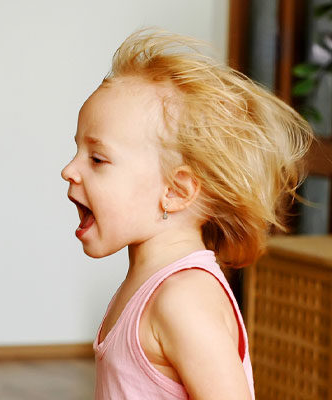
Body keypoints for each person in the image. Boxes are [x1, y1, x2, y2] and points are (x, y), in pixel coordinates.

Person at [61, 29, 313, 399]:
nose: (69, 169)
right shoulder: (148, 288)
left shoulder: (183, 298)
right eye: (77, 151)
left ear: (175, 191)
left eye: (97, 159)